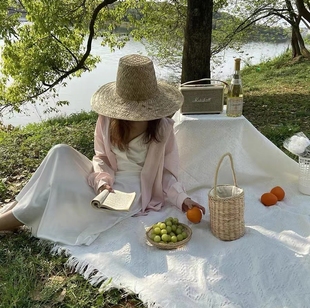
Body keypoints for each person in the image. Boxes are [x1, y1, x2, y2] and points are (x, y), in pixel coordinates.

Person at [0, 54, 205, 245]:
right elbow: (100, 157)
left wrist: (181, 198)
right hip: (105, 180)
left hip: (131, 192)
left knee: (56, 193)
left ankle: (10, 219)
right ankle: (15, 208)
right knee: (59, 151)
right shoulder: (107, 120)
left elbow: (166, 175)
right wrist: (102, 183)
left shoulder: (162, 128)